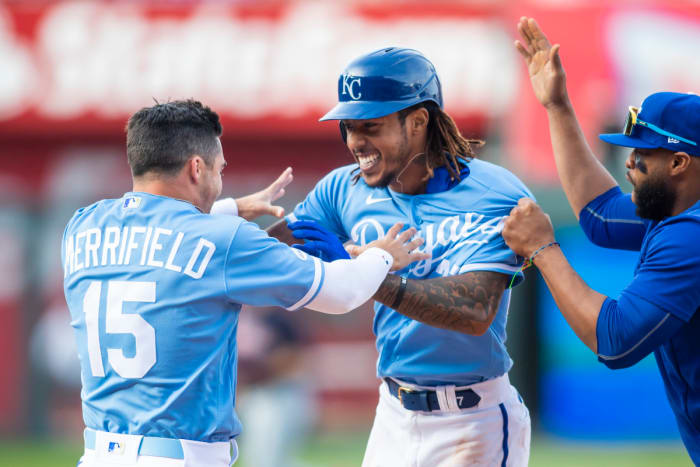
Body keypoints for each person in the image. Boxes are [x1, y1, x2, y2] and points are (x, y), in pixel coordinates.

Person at [61, 99, 428, 467]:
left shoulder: (82, 226)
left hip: (97, 455)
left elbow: (156, 232)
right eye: (219, 169)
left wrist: (231, 207)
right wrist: (382, 255)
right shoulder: (221, 239)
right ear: (196, 168)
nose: (219, 182)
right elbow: (343, 293)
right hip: (181, 457)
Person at [264, 47, 533, 466]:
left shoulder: (496, 193)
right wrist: (225, 219)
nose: (355, 142)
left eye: (370, 125)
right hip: (392, 413)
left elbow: (475, 310)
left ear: (419, 121)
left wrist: (365, 271)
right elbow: (264, 257)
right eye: (348, 127)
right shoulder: (342, 189)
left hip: (473, 421)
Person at [502, 17, 700, 464]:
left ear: (680, 162)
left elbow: (616, 340)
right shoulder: (676, 208)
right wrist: (557, 106)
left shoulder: (691, 234)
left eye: (643, 153)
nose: (629, 162)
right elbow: (600, 216)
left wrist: (542, 249)